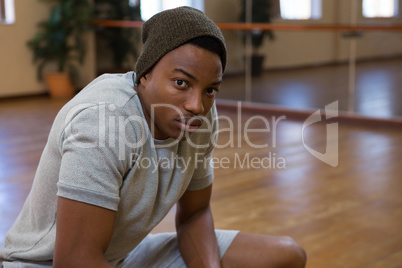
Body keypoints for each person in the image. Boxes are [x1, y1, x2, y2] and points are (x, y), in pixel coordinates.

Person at [0, 6, 306, 268]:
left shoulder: (199, 119)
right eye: (181, 83)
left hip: (121, 258)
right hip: (44, 263)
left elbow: (195, 213)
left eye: (210, 89)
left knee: (285, 255)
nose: (196, 105)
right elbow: (75, 260)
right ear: (145, 73)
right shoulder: (104, 119)